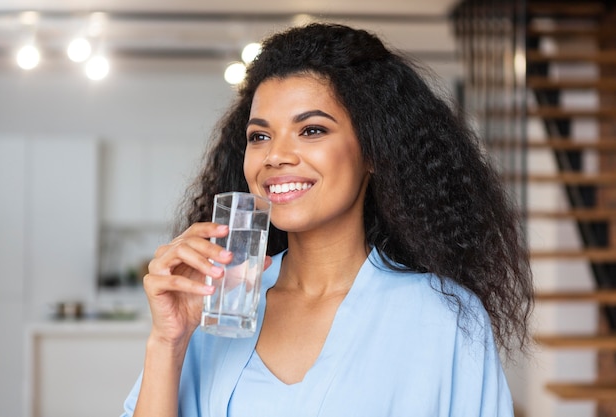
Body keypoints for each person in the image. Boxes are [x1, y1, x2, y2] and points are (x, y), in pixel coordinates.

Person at [121, 22, 533, 417]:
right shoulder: (212, 306)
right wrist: (167, 343)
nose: (275, 155)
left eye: (312, 130)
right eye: (259, 136)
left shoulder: (444, 317)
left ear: (373, 151)